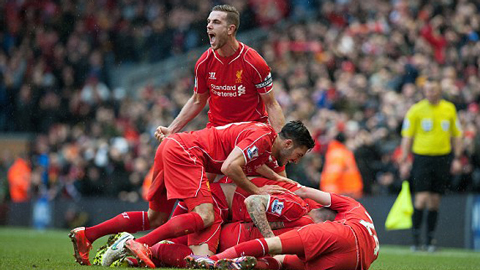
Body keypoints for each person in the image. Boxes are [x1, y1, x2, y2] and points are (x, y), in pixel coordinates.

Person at [69, 121, 315, 267]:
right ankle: (139, 244)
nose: (296, 160)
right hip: (187, 154)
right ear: (288, 143)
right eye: (299, 154)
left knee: (155, 218)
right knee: (206, 215)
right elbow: (231, 166)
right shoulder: (262, 137)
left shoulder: (264, 143)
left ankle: (88, 235)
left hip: (172, 146)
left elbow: (254, 162)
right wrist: (258, 189)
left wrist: (277, 178)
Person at [155, 4, 285, 140]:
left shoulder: (254, 62)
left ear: (230, 29)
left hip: (250, 134)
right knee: (169, 149)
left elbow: (271, 104)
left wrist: (280, 142)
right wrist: (171, 129)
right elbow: (197, 101)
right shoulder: (204, 62)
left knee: (233, 162)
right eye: (208, 22)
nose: (209, 26)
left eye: (216, 22)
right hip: (218, 135)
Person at [187, 187, 379, 270]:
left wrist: (281, 187)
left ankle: (212, 260)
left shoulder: (301, 210)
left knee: (274, 247)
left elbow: (255, 201)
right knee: (282, 263)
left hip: (239, 235)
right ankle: (248, 264)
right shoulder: (357, 212)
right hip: (358, 261)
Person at [399, 78, 463, 251]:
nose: (430, 93)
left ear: (439, 91)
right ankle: (416, 239)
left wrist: (457, 157)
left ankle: (430, 240)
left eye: (433, 90)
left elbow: (456, 134)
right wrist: (404, 160)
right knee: (420, 199)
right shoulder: (416, 110)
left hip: (442, 158)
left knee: (435, 201)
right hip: (422, 158)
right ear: (424, 91)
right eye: (427, 90)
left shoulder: (449, 109)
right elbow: (407, 136)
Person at [320, 132, 363, 199]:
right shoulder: (339, 154)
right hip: (343, 192)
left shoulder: (338, 152)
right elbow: (333, 175)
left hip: (344, 192)